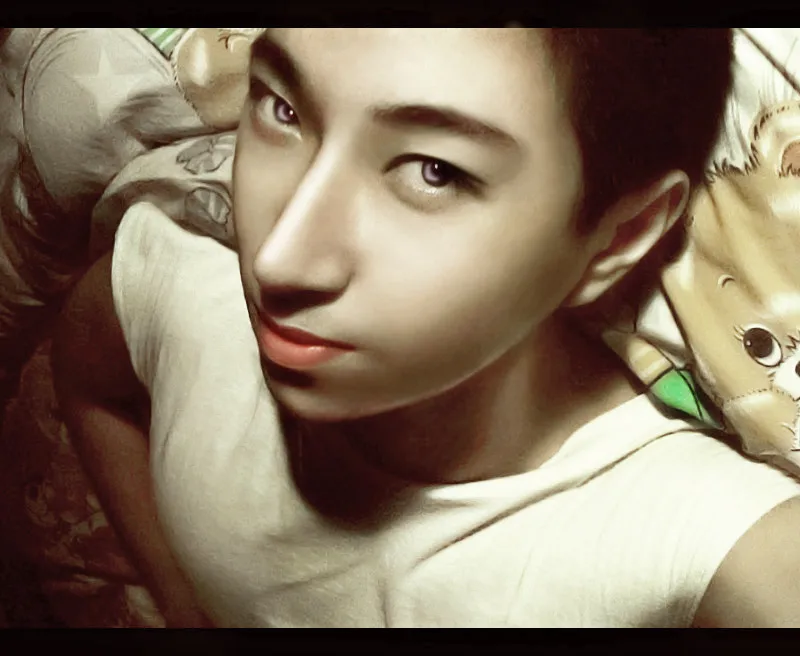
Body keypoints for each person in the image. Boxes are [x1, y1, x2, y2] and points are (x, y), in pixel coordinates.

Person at [50, 28, 800, 628]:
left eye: (432, 170)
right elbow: (88, 377)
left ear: (617, 238)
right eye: (283, 108)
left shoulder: (706, 547)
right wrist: (183, 603)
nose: (277, 260)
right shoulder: (181, 288)